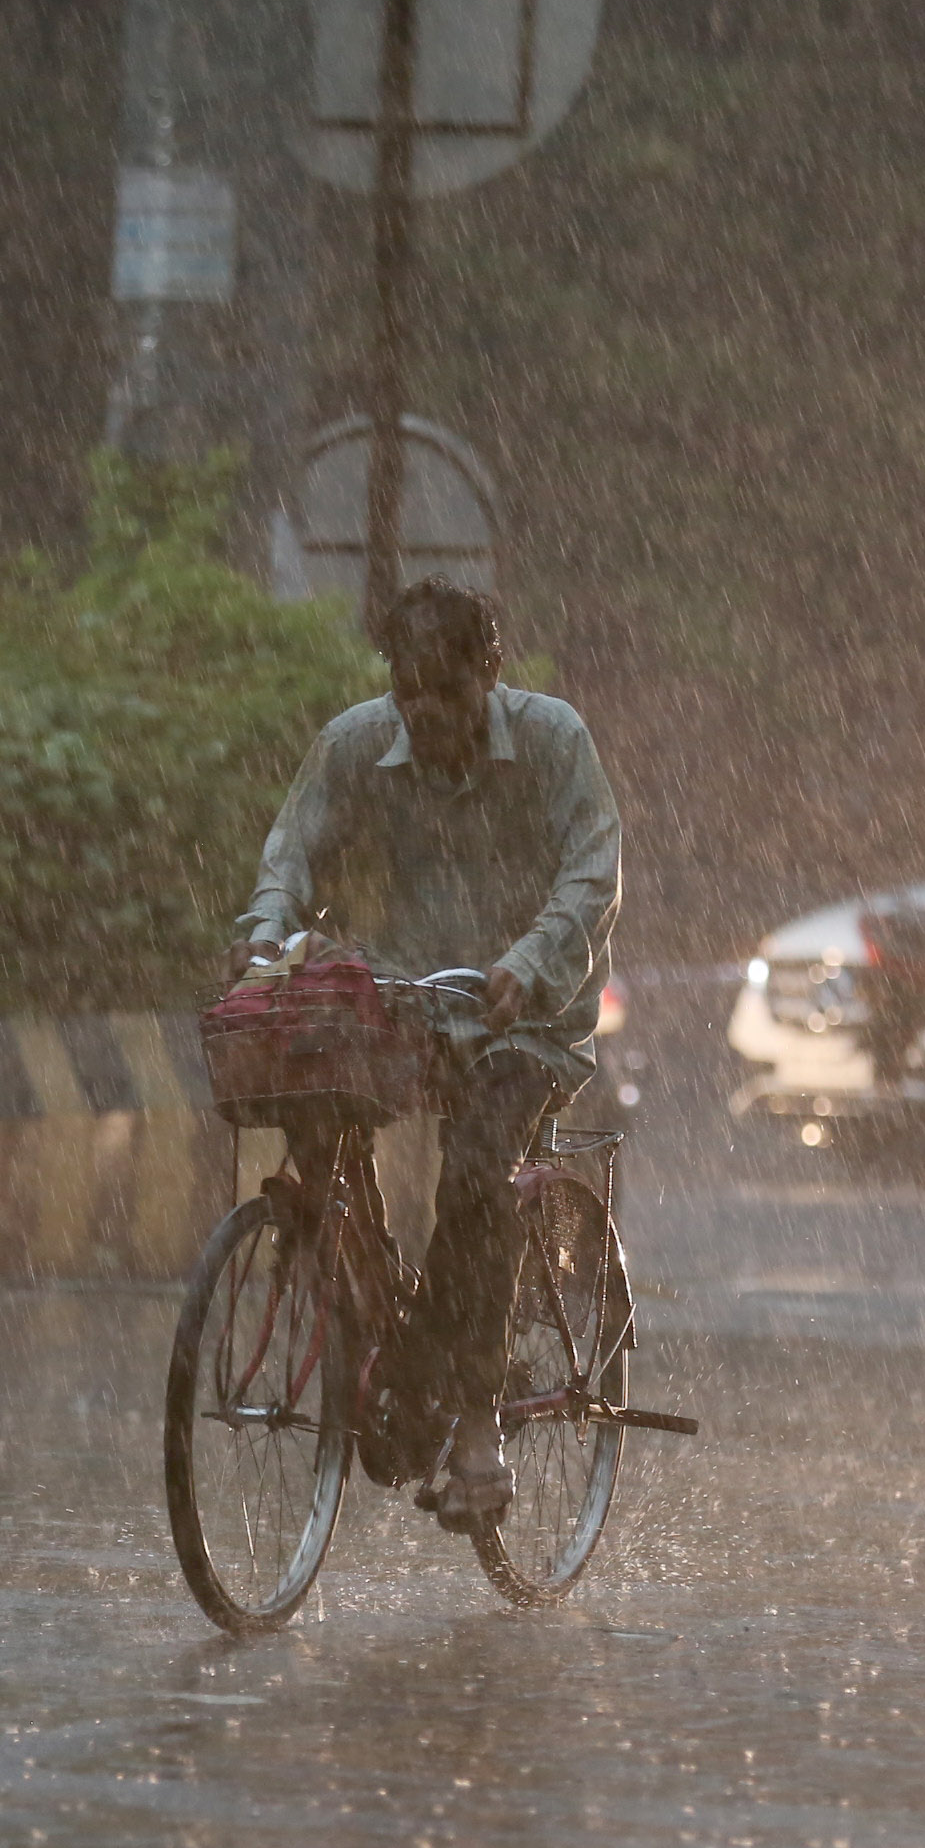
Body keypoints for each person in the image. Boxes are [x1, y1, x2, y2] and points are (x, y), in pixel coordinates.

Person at [232, 578, 622, 1532]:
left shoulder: (554, 742)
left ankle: (480, 1429)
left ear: (490, 674)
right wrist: (265, 941)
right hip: (404, 1004)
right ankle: (392, 1350)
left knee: (477, 1177)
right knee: (314, 1119)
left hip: (527, 1019)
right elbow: (292, 856)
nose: (428, 713)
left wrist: (527, 967)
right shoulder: (356, 745)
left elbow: (592, 872)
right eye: (411, 693)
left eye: (448, 692)